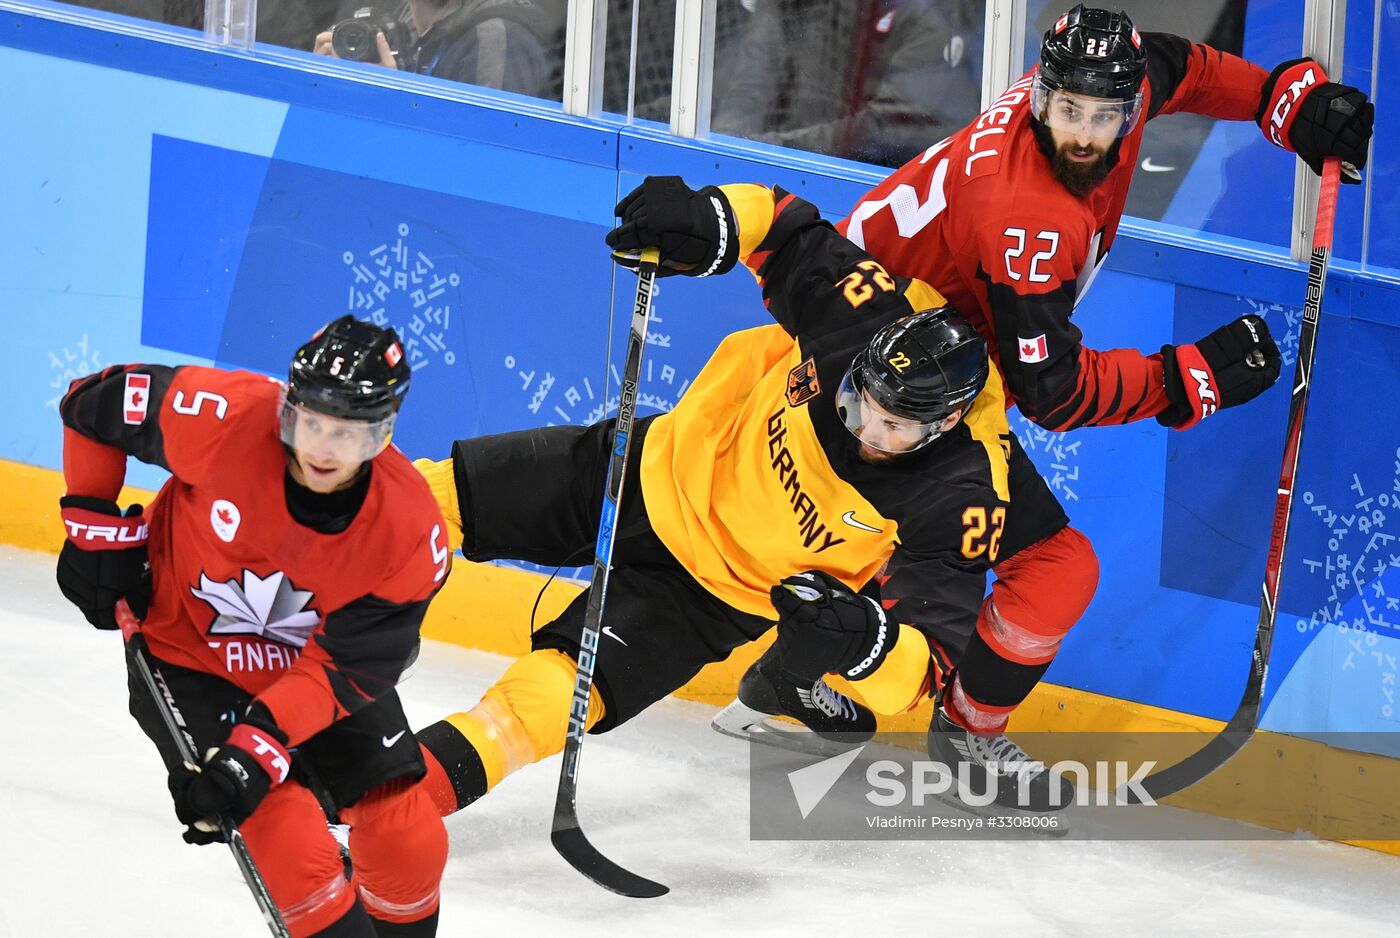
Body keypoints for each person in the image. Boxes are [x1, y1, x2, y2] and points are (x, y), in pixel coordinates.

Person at [412, 174, 1080, 820]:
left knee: (544, 702)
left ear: (944, 424)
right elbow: (783, 224)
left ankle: (400, 803)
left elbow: (924, 672)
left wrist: (862, 643)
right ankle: (339, 640)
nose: (866, 431)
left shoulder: (964, 493)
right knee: (426, 501)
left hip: (707, 597)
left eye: (894, 427)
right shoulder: (866, 311)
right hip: (644, 464)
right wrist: (708, 217)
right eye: (859, 402)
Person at [827, 5, 1369, 788]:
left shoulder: (1108, 87)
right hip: (877, 378)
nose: (1084, 134)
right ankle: (920, 715)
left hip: (895, 346)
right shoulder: (1029, 217)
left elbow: (1179, 64)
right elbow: (1052, 392)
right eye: (1069, 112)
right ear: (1041, 98)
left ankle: (806, 670)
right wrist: (1186, 377)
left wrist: (1279, 100)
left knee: (928, 552)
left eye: (1104, 115)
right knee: (1051, 568)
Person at [56, 316, 452, 937]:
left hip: (313, 668)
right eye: (311, 423)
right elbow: (91, 405)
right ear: (290, 408)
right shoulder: (223, 417)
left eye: (347, 434)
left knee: (409, 838)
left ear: (384, 431)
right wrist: (92, 526)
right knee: (291, 845)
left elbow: (345, 671)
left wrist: (255, 749)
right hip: (187, 650)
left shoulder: (408, 530)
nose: (322, 450)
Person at [712, 0, 983, 167]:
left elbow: (879, 128)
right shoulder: (790, 7)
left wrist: (766, 147)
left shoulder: (923, 21)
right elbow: (748, 88)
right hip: (780, 161)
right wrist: (725, 147)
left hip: (860, 183)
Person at [313, 0, 564, 99]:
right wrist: (317, 83)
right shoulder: (398, 24)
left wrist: (390, 97)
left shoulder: (495, 38)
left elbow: (479, 167)